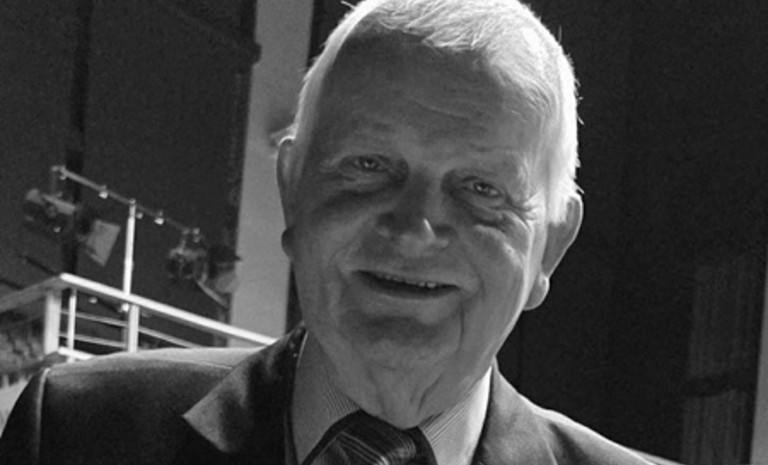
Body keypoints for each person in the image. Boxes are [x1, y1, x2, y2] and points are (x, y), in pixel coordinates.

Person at [0, 0, 653, 464]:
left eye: (482, 188)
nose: (414, 230)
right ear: (293, 188)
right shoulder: (75, 434)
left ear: (551, 245)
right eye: (369, 166)